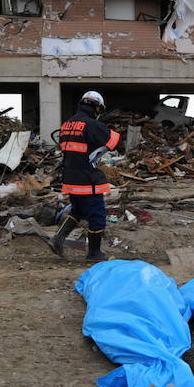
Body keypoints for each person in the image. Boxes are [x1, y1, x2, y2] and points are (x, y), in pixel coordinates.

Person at [49, 91, 120, 260]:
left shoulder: (67, 124)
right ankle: (94, 253)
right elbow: (114, 142)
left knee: (78, 210)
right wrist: (113, 132)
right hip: (87, 178)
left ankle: (57, 239)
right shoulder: (91, 124)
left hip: (70, 177)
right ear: (96, 107)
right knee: (97, 215)